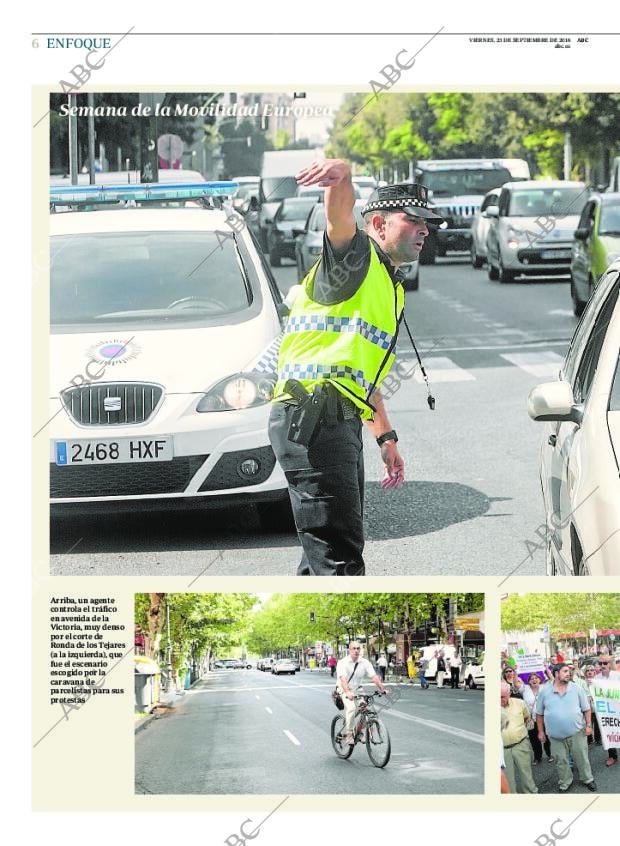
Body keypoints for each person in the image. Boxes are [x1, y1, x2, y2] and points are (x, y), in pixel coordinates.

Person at [268, 159, 444, 576]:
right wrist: (341, 178)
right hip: (313, 419)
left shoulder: (388, 284)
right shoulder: (355, 260)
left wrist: (385, 437)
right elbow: (339, 223)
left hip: (334, 421)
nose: (424, 230)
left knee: (323, 558)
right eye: (413, 220)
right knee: (340, 560)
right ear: (379, 223)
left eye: (427, 224)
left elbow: (361, 377)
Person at [535, 663, 597, 793]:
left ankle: (587, 779)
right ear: (556, 673)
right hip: (555, 736)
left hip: (577, 732)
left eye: (569, 671)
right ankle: (565, 782)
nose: (568, 673)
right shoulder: (545, 691)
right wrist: (540, 731)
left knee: (582, 758)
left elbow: (587, 709)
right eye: (565, 671)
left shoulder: (576, 688)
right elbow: (539, 714)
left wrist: (589, 725)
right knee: (561, 761)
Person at [335, 641, 387, 744]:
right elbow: (343, 679)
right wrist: (348, 692)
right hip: (343, 688)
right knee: (352, 708)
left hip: (358, 689)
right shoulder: (342, 663)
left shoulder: (365, 662)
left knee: (369, 710)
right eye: (354, 648)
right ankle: (349, 734)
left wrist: (382, 689)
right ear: (349, 650)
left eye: (358, 648)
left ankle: (358, 731)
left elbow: (374, 677)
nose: (356, 650)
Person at [500, 682, 538, 793]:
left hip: (520, 745)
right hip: (503, 750)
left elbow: (527, 717)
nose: (499, 699)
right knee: (507, 778)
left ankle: (531, 794)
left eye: (502, 697)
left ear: (509, 693)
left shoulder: (520, 703)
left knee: (526, 774)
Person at [522, 672, 554, 764]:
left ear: (540, 680)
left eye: (536, 678)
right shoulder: (525, 689)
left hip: (545, 718)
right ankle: (537, 757)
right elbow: (516, 683)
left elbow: (553, 680)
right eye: (532, 679)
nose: (534, 680)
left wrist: (546, 669)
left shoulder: (545, 687)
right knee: (534, 739)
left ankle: (550, 754)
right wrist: (515, 670)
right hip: (531, 719)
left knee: (547, 737)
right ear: (529, 682)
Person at [595, 655, 619, 766]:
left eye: (605, 663)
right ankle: (612, 756)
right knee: (609, 732)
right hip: (606, 711)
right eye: (600, 664)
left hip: (617, 708)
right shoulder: (597, 678)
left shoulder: (617, 676)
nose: (603, 666)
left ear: (609, 664)